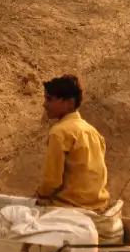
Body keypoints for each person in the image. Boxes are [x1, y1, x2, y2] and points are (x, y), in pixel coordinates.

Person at [36, 74, 112, 216]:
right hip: (97, 206)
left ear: (70, 102)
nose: (44, 104)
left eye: (49, 99)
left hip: (69, 208)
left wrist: (40, 194)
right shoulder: (93, 132)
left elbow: (52, 181)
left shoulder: (59, 133)